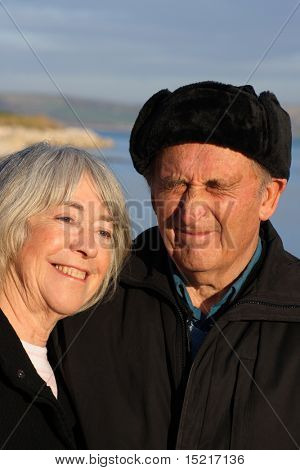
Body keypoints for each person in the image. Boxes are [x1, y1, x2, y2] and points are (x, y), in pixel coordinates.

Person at [60, 81, 300, 450]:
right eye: (174, 184)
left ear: (268, 197)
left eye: (218, 186)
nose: (191, 210)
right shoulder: (87, 295)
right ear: (152, 188)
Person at [0, 142, 130, 450]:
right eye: (67, 219)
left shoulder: (73, 369)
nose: (88, 247)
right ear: (10, 218)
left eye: (104, 232)